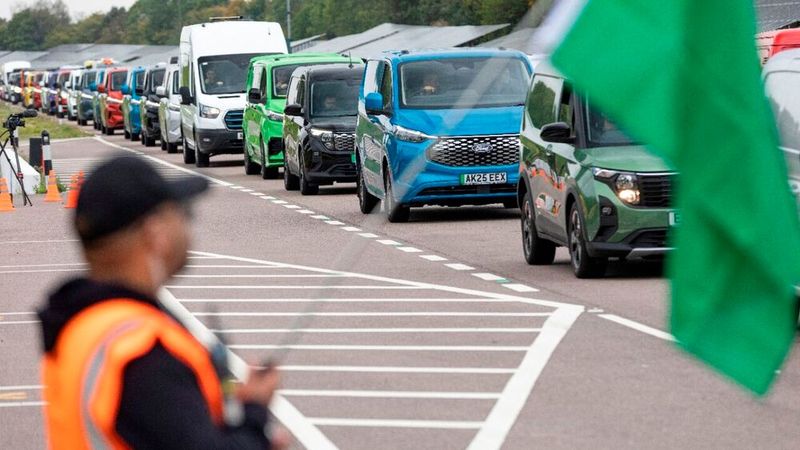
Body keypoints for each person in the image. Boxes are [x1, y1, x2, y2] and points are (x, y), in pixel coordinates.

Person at [37, 156, 289, 449]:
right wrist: (255, 417)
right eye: (183, 214)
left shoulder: (82, 325)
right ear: (155, 234)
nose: (188, 226)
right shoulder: (142, 351)